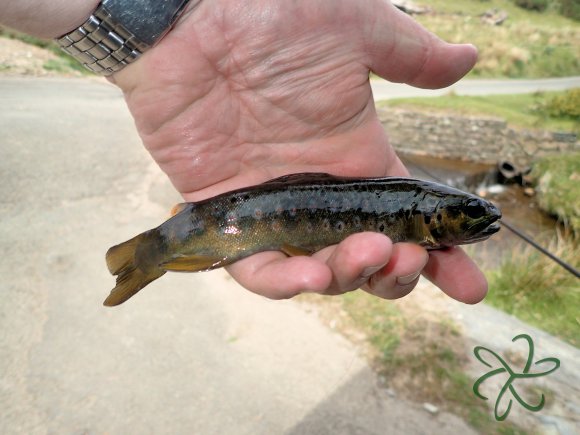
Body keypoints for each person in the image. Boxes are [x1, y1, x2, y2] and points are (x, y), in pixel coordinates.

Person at [1, 0, 487, 304]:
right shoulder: (411, 206)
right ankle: (151, 252)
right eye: (466, 213)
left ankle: (154, 251)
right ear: (432, 217)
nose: (477, 219)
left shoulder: (411, 204)